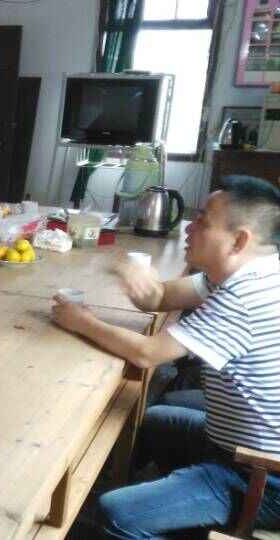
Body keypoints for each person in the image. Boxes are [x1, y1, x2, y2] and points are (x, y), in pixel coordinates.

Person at [50, 176, 280, 537]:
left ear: (238, 241)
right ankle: (172, 509)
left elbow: (148, 353)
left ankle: (154, 514)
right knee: (156, 420)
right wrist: (133, 276)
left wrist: (81, 322)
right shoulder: (247, 272)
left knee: (118, 514)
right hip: (234, 445)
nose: (189, 227)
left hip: (259, 474)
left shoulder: (244, 296)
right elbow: (159, 298)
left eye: (203, 220)